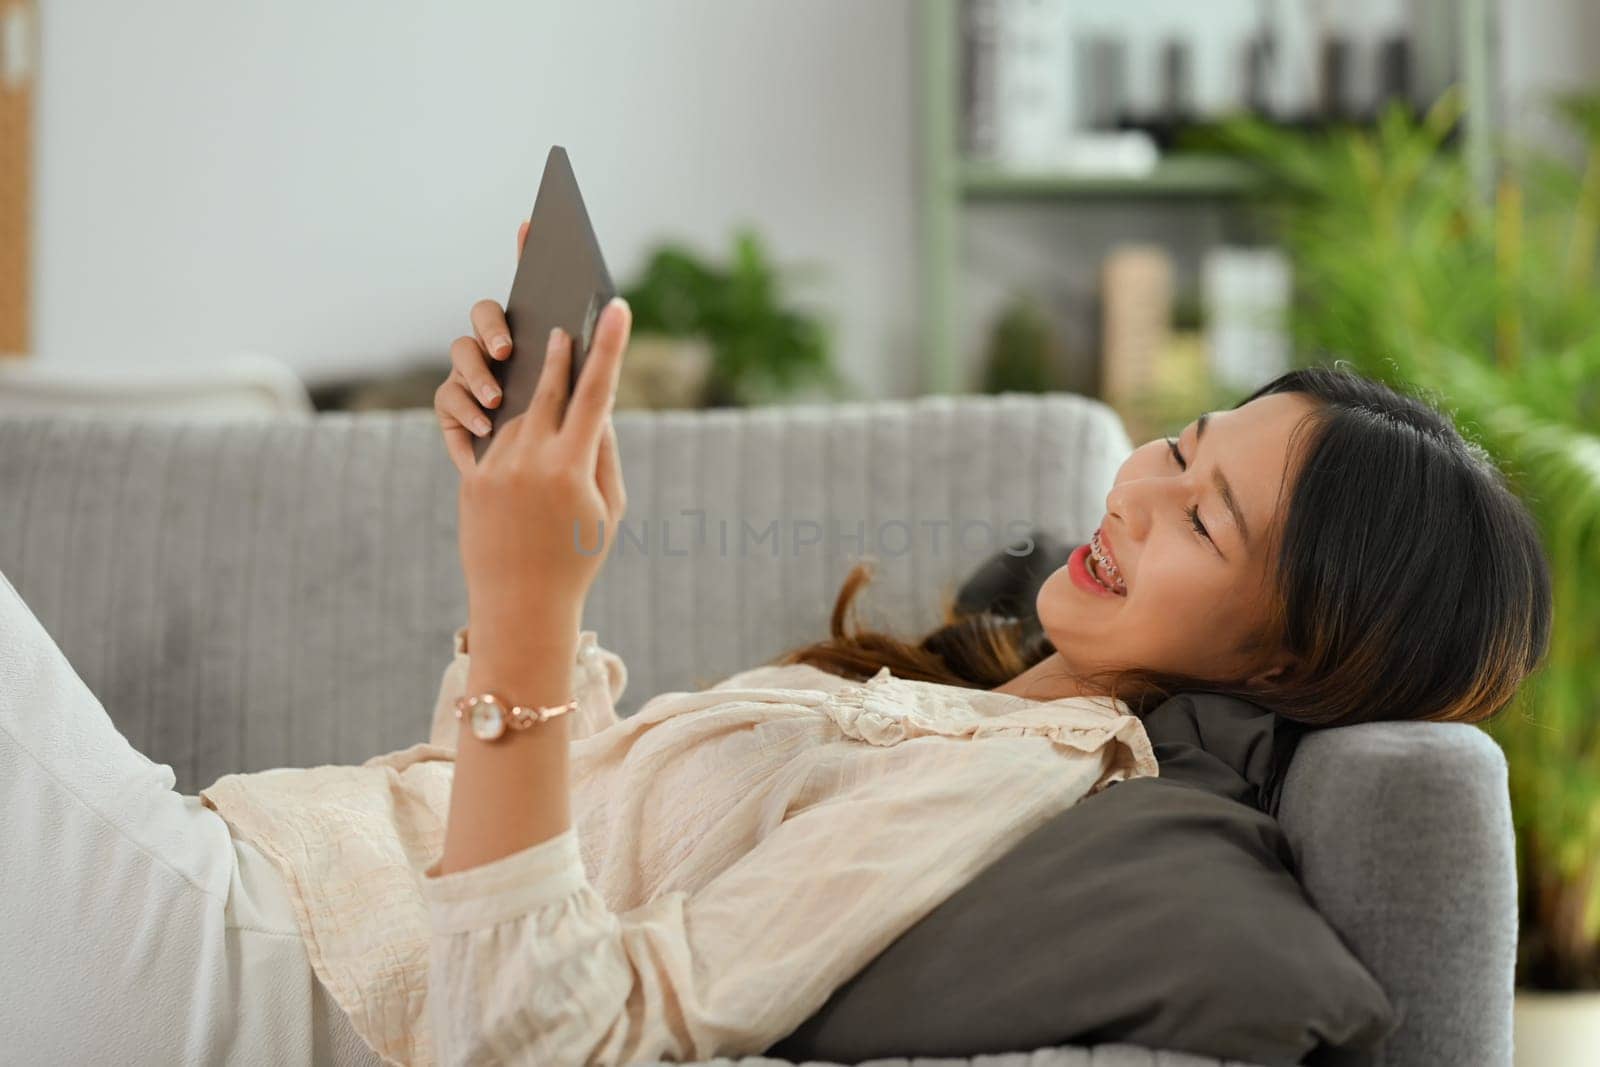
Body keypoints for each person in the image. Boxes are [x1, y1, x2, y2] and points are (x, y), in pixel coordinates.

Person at [0, 223, 1551, 1066]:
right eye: (1182, 445)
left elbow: (546, 1040)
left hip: (244, 977)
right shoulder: (971, 702)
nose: (1140, 489)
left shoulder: (1023, 787)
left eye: (1208, 522)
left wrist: (530, 608)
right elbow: (559, 823)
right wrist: (530, 553)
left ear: (1291, 659)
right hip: (232, 879)